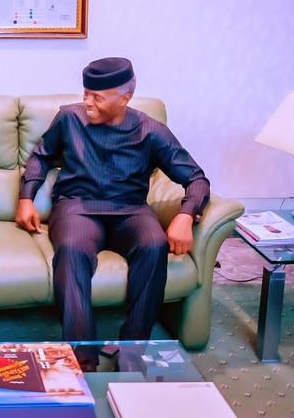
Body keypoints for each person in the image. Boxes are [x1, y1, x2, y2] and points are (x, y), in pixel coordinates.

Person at [15, 57, 210, 365]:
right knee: (71, 249)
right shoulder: (69, 119)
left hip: (130, 210)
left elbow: (196, 178)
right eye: (86, 93)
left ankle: (131, 350)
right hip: (77, 208)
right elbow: (40, 157)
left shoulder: (151, 131)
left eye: (97, 97)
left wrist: (186, 215)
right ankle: (83, 358)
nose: (86, 102)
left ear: (125, 98)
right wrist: (26, 197)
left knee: (154, 245)